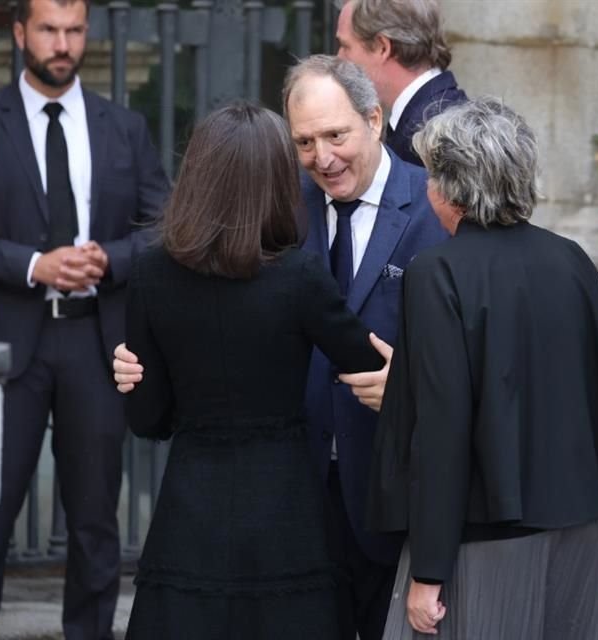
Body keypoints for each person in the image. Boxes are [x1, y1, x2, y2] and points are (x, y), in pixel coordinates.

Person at [113, 56, 448, 640]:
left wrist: (411, 381)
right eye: (304, 143)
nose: (322, 158)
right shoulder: (287, 223)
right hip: (292, 504)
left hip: (376, 494)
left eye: (335, 136)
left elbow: (149, 417)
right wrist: (133, 370)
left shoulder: (437, 207)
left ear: (374, 120)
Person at [367, 99, 598, 639]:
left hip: (485, 536)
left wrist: (427, 572)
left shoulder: (437, 271)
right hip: (579, 522)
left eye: (431, 175)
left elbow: (441, 428)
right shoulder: (571, 259)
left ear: (450, 188)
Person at [0, 1, 169, 638]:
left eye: (74, 30)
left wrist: (111, 259)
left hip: (94, 344)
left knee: (96, 520)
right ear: (21, 33)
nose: (63, 44)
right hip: (8, 348)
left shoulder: (123, 128)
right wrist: (33, 265)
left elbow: (163, 227)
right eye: (49, 29)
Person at [335, 0, 467, 167]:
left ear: (382, 47)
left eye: (345, 46)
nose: (339, 57)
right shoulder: (436, 116)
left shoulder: (431, 138)